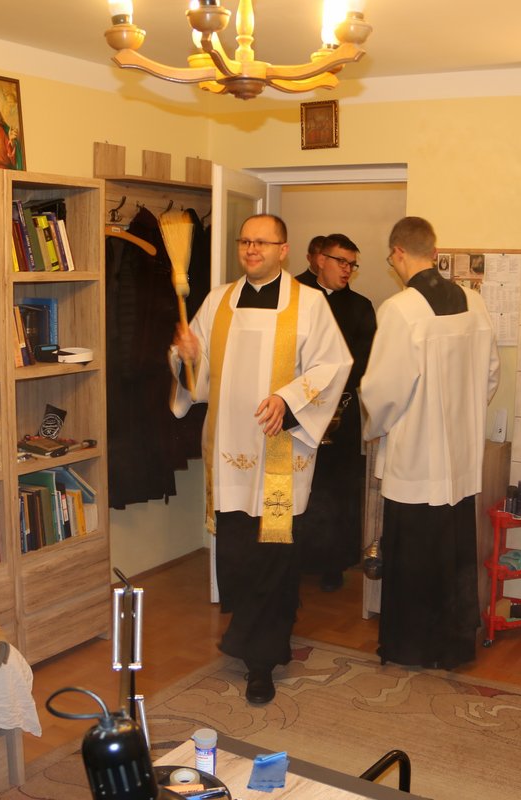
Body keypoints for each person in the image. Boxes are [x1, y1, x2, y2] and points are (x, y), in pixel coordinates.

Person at [170, 214, 352, 705]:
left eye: (263, 242)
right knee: (236, 554)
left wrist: (287, 400)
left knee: (273, 556)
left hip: (279, 455)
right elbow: (198, 377)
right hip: (232, 453)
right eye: (245, 241)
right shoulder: (218, 302)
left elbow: (334, 364)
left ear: (283, 249)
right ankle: (249, 633)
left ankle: (262, 661)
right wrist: (188, 356)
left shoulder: (309, 304)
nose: (252, 249)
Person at [360, 216, 500, 670]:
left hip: (416, 459)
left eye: (391, 259)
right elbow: (491, 374)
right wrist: (464, 415)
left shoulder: (400, 309)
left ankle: (411, 647)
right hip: (460, 460)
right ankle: (454, 647)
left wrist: (375, 425)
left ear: (399, 252)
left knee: (414, 557)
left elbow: (384, 389)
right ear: (434, 252)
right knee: (454, 557)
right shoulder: (474, 303)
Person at [294, 233, 377, 592]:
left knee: (339, 489)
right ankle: (295, 560)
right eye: (341, 261)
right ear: (319, 259)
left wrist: (329, 388)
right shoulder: (292, 297)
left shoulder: (360, 306)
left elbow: (365, 360)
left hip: (342, 409)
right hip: (297, 408)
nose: (347, 270)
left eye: (352, 264)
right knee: (302, 486)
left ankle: (333, 564)